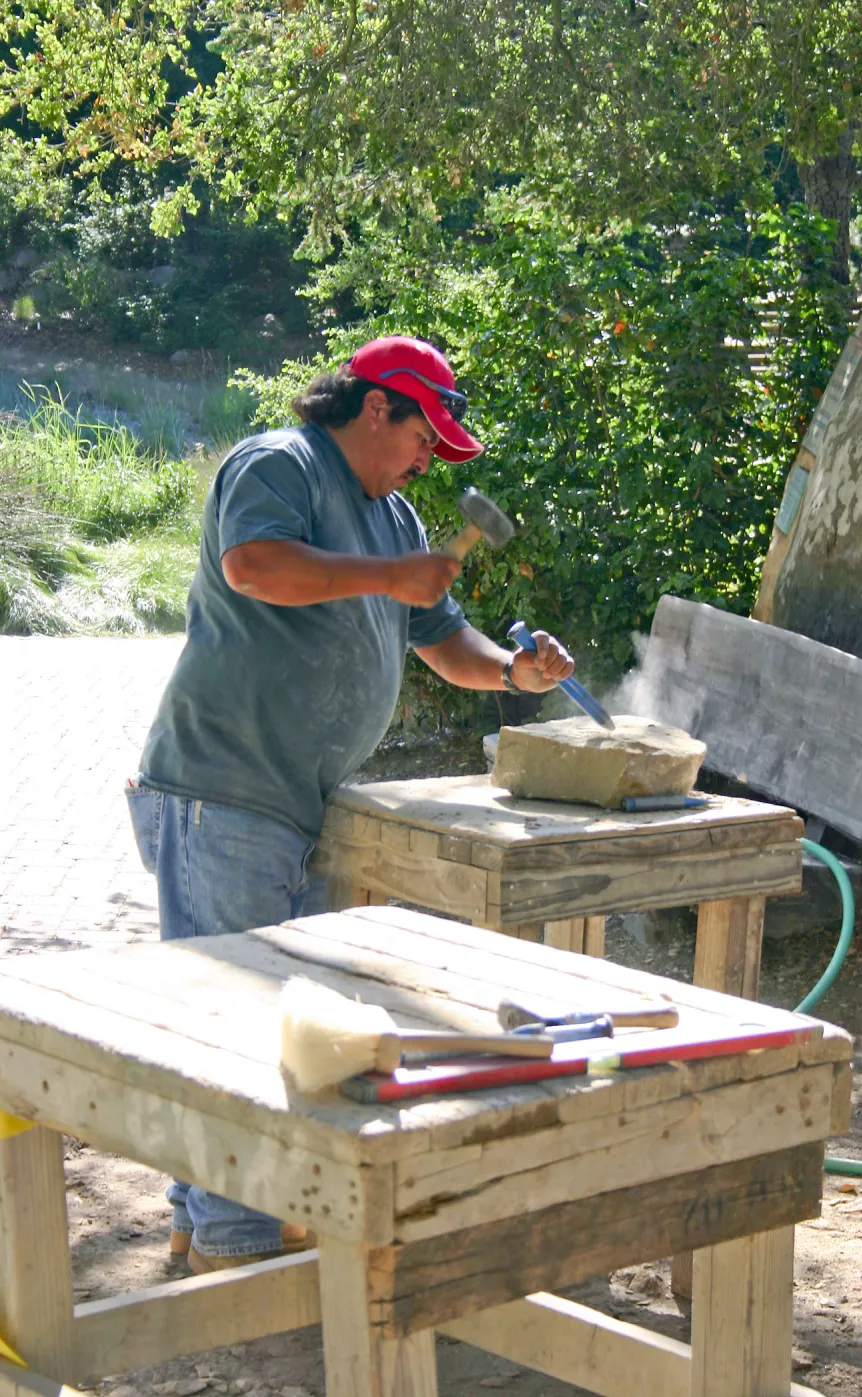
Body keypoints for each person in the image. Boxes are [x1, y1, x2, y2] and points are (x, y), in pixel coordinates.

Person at [128, 334, 575, 1273]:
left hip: (307, 803)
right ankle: (239, 1247)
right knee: (232, 1025)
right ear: (377, 407)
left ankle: (203, 1222)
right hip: (222, 788)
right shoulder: (279, 464)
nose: (427, 460)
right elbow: (255, 566)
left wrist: (516, 671)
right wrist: (386, 577)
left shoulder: (396, 518)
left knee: (284, 1026)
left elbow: (446, 644)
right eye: (422, 437)